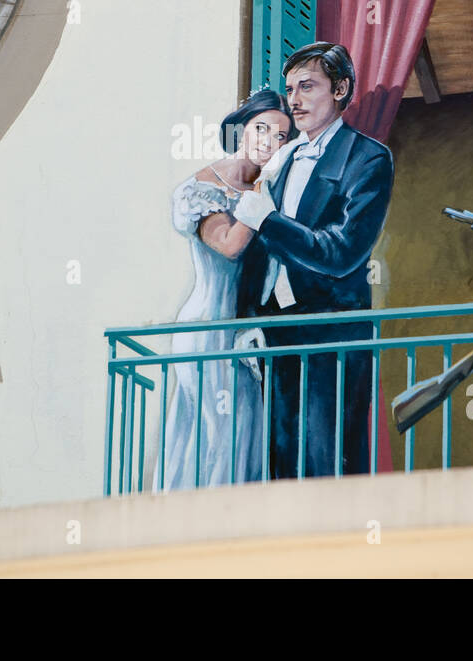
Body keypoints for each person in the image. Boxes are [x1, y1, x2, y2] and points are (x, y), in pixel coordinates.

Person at [233, 43, 394, 479]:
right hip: (277, 331)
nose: (295, 101)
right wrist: (250, 318)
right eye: (290, 90)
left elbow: (341, 253)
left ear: (341, 89)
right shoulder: (283, 160)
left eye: (308, 87)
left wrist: (267, 218)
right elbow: (260, 255)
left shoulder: (369, 158)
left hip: (333, 334)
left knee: (326, 463)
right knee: (280, 463)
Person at [158, 90, 296, 489]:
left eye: (280, 137)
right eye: (261, 129)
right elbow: (231, 245)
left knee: (246, 434)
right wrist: (260, 198)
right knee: (217, 434)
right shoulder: (205, 188)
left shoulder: (271, 191)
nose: (268, 142)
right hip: (206, 330)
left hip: (245, 336)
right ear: (242, 129)